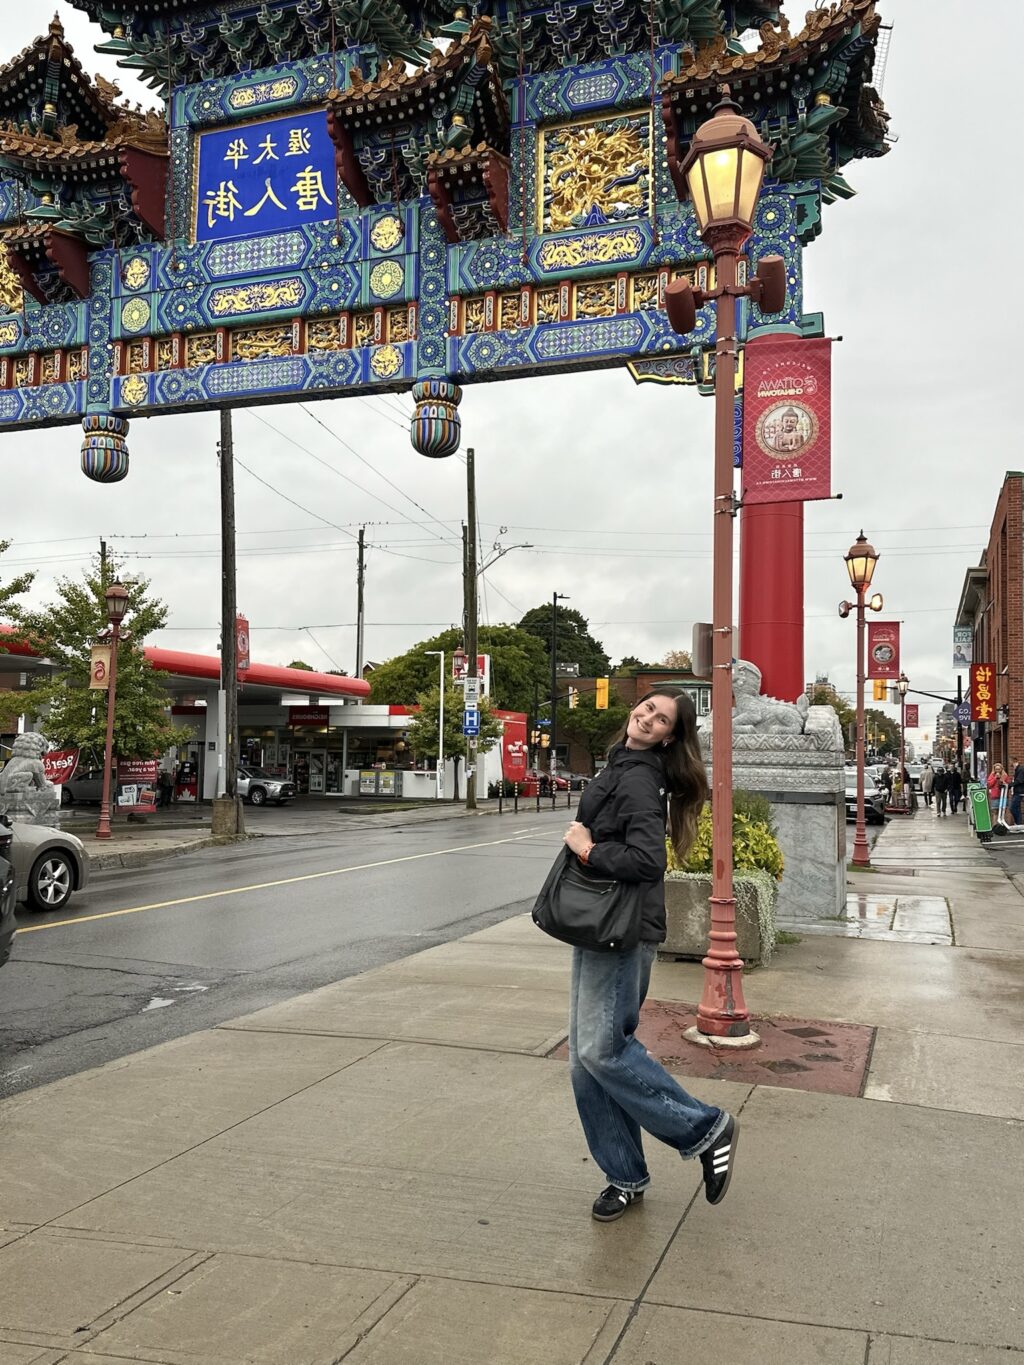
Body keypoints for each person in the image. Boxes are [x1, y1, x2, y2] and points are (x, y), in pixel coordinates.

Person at [561, 689, 737, 1222]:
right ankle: (624, 1174)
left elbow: (645, 859)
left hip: (622, 929)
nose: (647, 716)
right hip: (603, 927)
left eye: (661, 718)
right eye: (647, 708)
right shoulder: (624, 761)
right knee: (585, 1062)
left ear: (669, 737)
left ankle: (704, 1128)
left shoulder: (639, 775)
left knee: (602, 1053)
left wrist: (587, 849)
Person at [1011, 760, 1024, 827]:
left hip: (1019, 792)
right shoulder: (1017, 770)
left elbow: (1019, 780)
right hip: (1017, 792)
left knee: (1013, 807)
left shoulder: (1020, 769)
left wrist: (1011, 785)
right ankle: (1018, 824)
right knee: (1016, 808)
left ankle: (1018, 824)